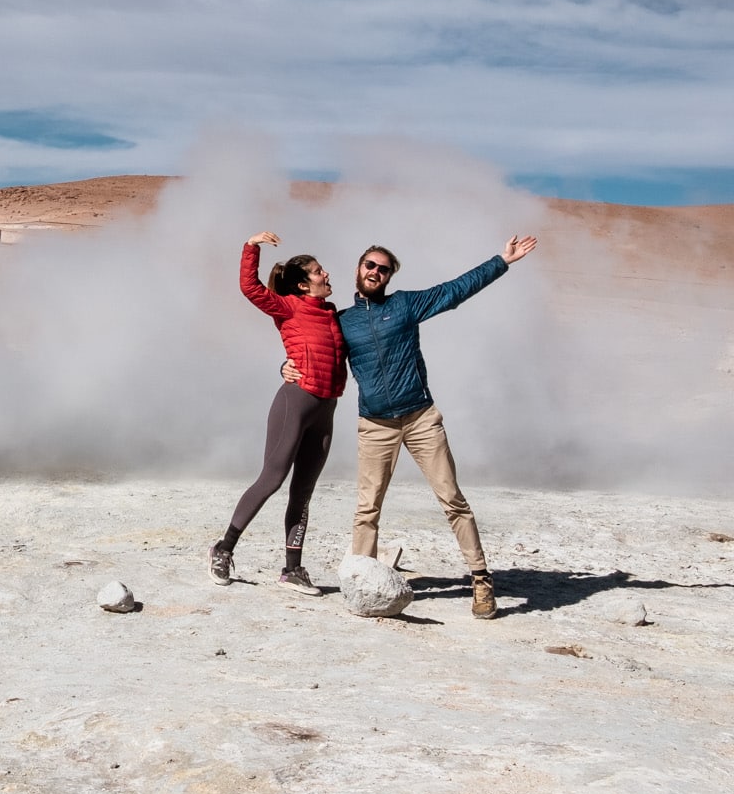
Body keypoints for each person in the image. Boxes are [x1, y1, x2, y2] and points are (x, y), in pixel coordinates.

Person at [289, 235, 538, 619]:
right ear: (358, 268)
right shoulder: (342, 322)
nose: (375, 271)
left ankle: (481, 580)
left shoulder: (404, 305)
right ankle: (362, 581)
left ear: (389, 276)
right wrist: (287, 368)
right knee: (367, 508)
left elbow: (454, 290)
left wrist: (501, 261)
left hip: (420, 418)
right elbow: (313, 353)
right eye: (369, 265)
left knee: (452, 499)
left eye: (383, 268)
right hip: (375, 425)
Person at [210, 232, 346, 595]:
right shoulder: (289, 306)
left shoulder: (333, 314)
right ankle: (223, 548)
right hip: (296, 401)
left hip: (327, 407)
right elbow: (250, 288)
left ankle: (292, 569)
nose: (326, 274)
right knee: (272, 479)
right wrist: (251, 246)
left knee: (303, 492)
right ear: (304, 284)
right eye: (319, 272)